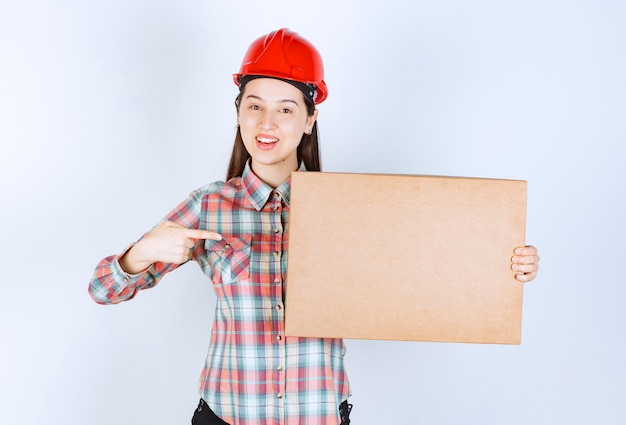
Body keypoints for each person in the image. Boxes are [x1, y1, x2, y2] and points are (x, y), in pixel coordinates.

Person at [88, 28, 540, 425]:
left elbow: (430, 265)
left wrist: (505, 266)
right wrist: (143, 252)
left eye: (286, 110)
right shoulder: (209, 206)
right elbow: (101, 289)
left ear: (310, 118)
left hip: (319, 414)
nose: (267, 123)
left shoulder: (348, 209)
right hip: (226, 416)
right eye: (255, 106)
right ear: (238, 111)